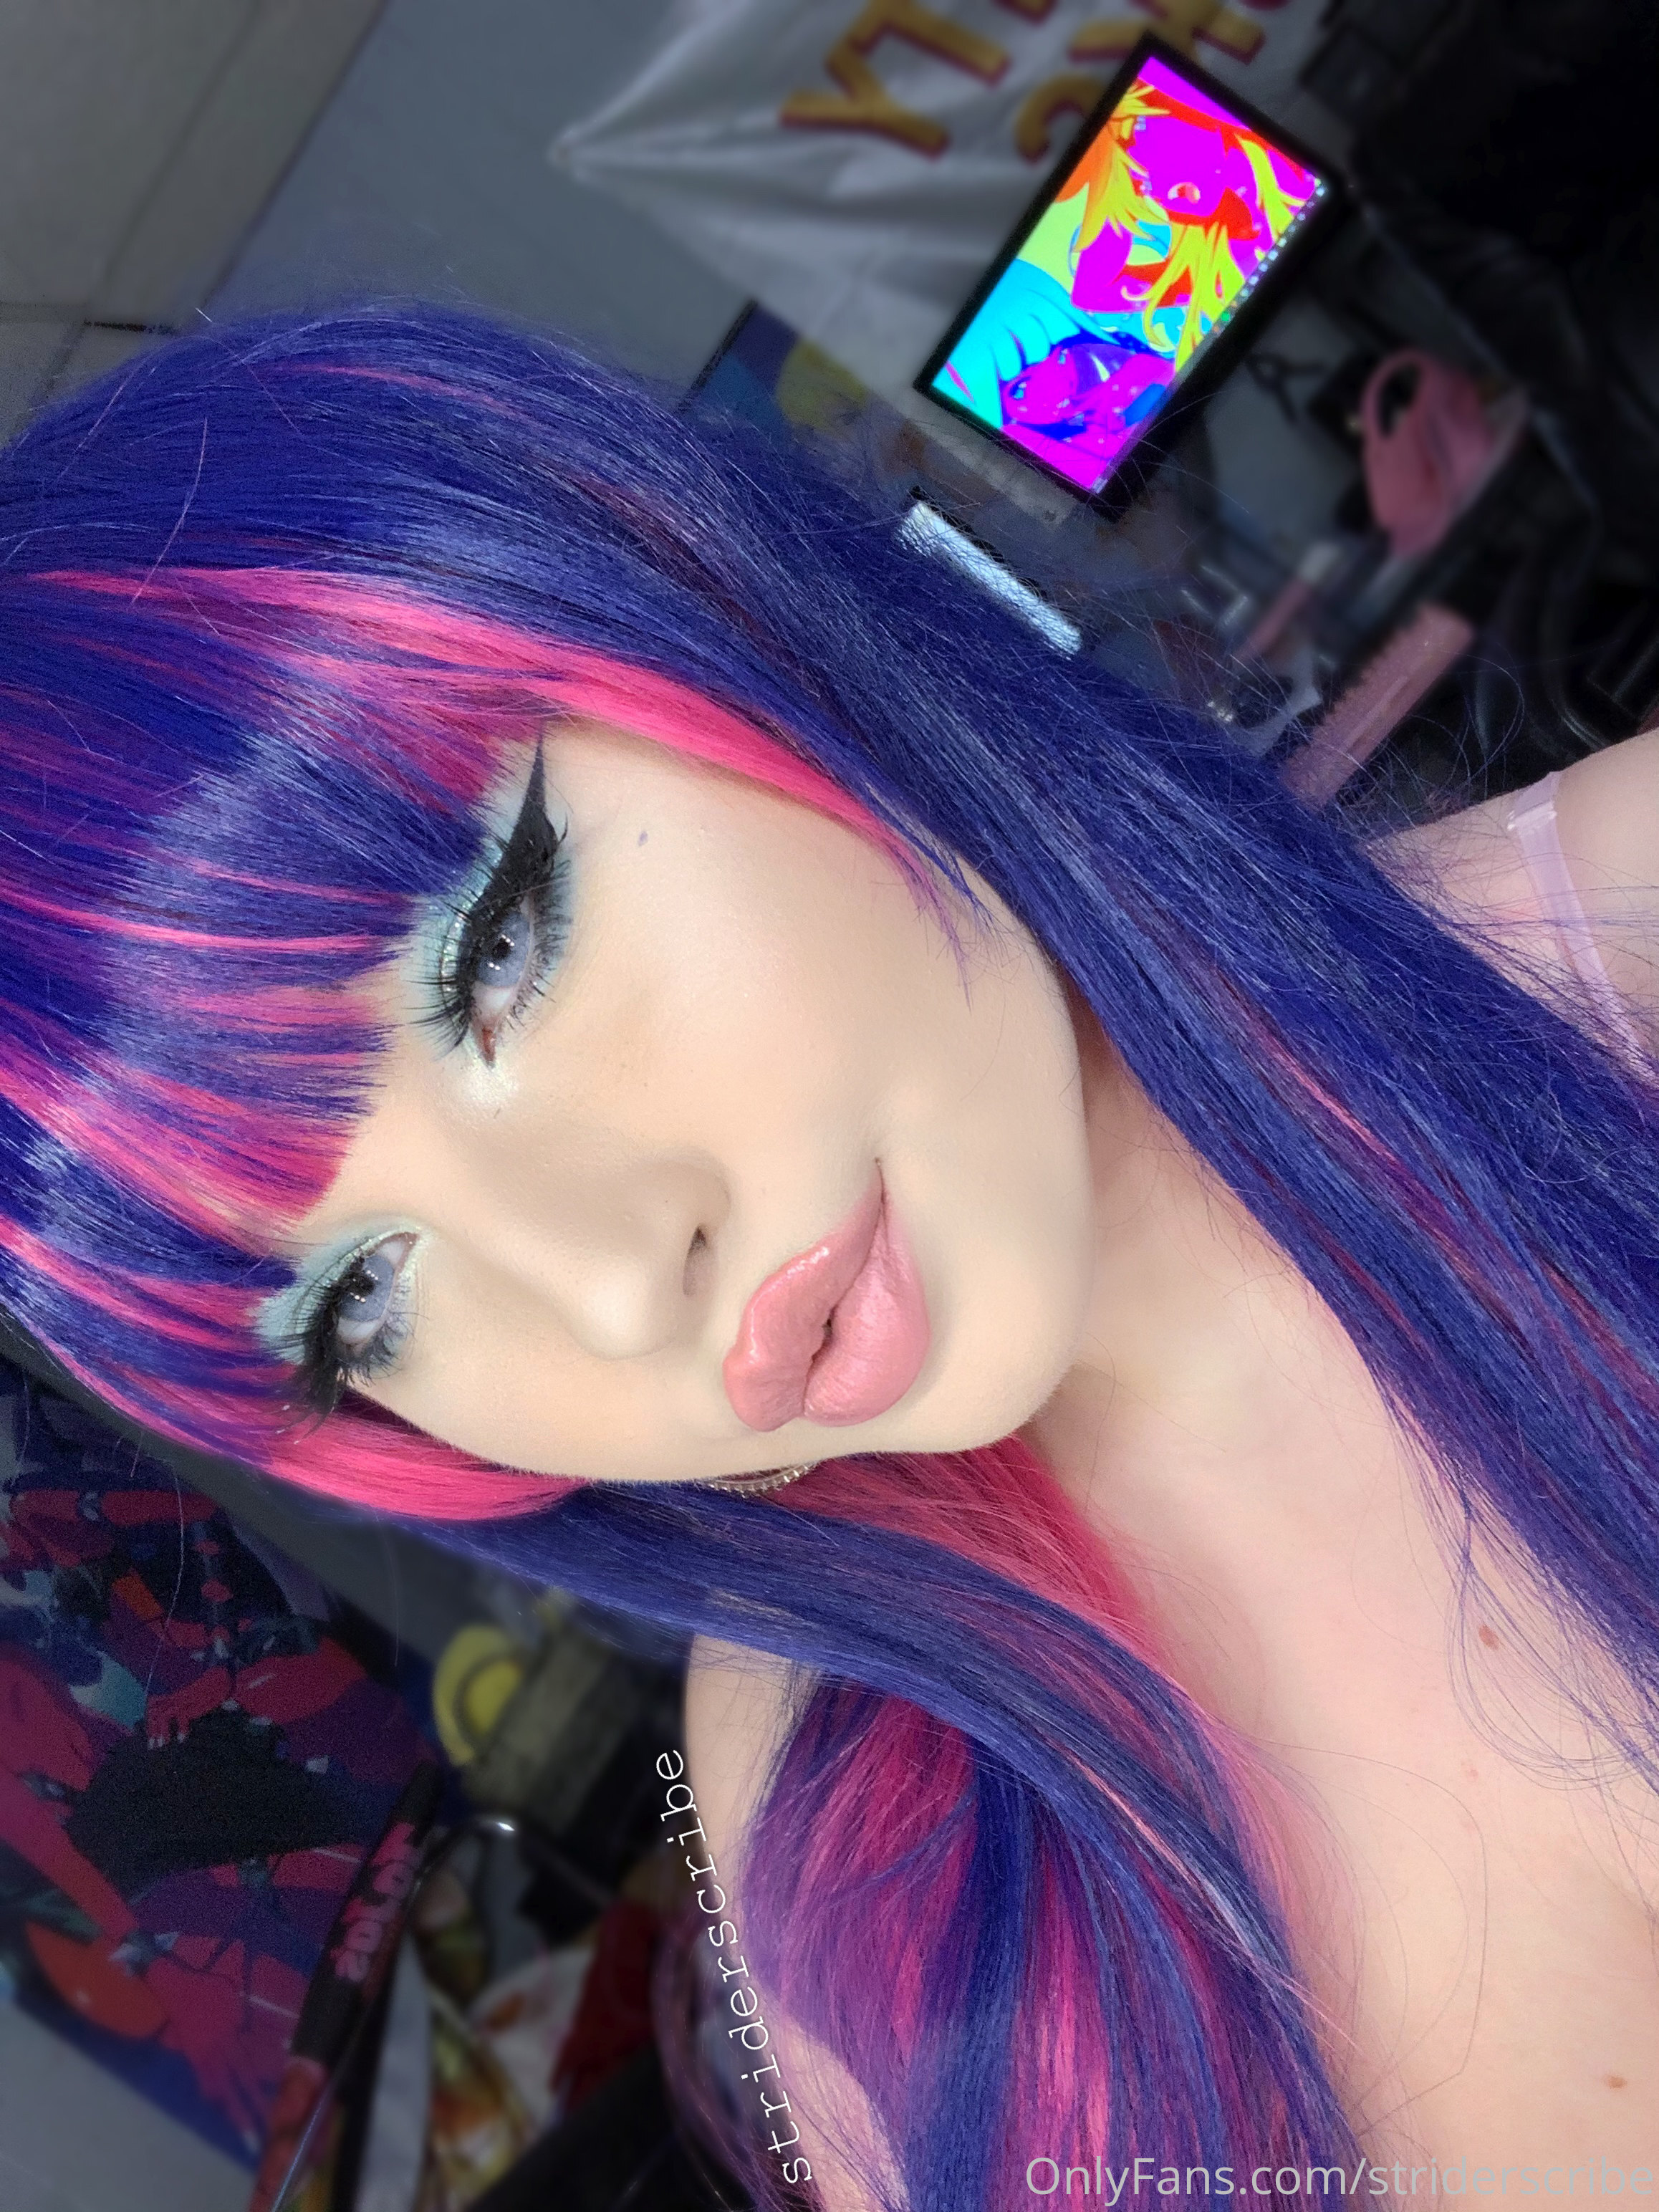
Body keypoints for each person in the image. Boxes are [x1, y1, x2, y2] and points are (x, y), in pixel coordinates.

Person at [0, 307, 1655, 2208]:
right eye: (356, 1300)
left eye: (500, 948)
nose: (610, 1285)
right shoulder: (853, 1837)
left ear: (707, 609)